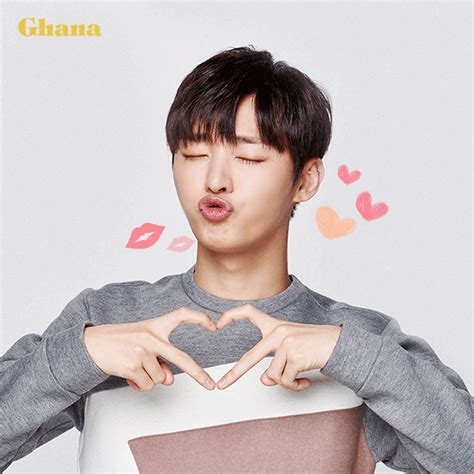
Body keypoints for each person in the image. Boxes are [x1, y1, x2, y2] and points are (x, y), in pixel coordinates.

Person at [1, 45, 472, 473]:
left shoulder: (362, 342)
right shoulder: (105, 320)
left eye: (248, 158)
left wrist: (347, 354)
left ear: (306, 181)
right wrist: (79, 356)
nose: (215, 180)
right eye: (194, 152)